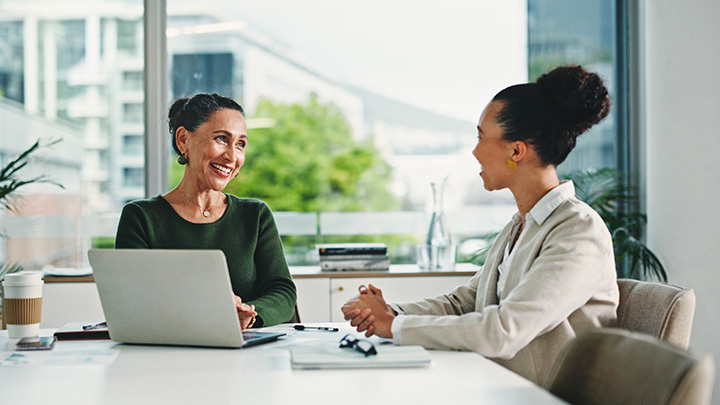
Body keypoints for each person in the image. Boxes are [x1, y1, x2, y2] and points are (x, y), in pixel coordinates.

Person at [341, 65, 619, 386]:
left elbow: (504, 330)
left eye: (480, 136)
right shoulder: (522, 223)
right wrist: (389, 312)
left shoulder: (579, 232)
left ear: (516, 150)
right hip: (498, 385)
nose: (474, 150)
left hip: (544, 396)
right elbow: (465, 303)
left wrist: (392, 325)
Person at [115, 93, 296, 329]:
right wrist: (213, 308)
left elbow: (283, 291)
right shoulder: (140, 217)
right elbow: (130, 299)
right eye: (222, 139)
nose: (232, 156)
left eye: (240, 144)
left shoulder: (255, 214)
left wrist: (248, 314)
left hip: (247, 350)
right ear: (183, 140)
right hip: (167, 350)